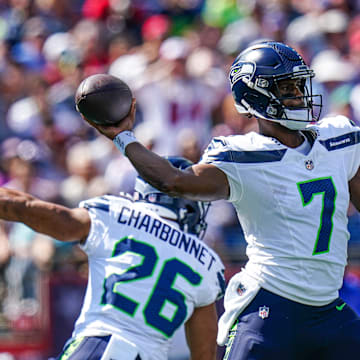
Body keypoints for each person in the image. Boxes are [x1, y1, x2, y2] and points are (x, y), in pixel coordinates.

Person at [86, 41, 360, 359]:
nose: (299, 95)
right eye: (288, 88)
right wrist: (124, 137)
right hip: (270, 306)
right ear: (256, 96)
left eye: (300, 85)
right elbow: (173, 180)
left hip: (329, 308)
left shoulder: (339, 138)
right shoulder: (242, 157)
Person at [0, 156, 225, 360]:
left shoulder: (114, 215)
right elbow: (205, 354)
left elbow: (33, 209)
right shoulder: (206, 263)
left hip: (96, 348)